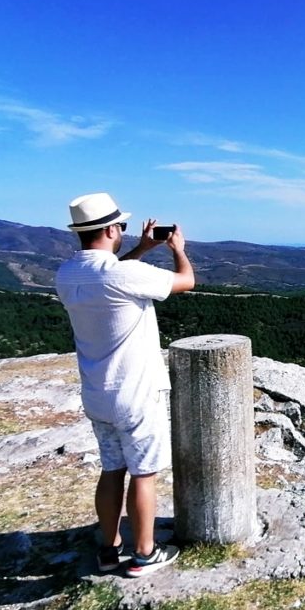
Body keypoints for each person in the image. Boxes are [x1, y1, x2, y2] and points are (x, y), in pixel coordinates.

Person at [55, 192, 195, 577]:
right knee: (144, 474)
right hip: (136, 393)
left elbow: (110, 276)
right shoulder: (120, 273)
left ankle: (108, 547)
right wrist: (176, 249)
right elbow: (187, 281)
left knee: (112, 468)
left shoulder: (67, 274)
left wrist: (141, 248)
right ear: (111, 229)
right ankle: (145, 554)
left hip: (96, 394)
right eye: (122, 227)